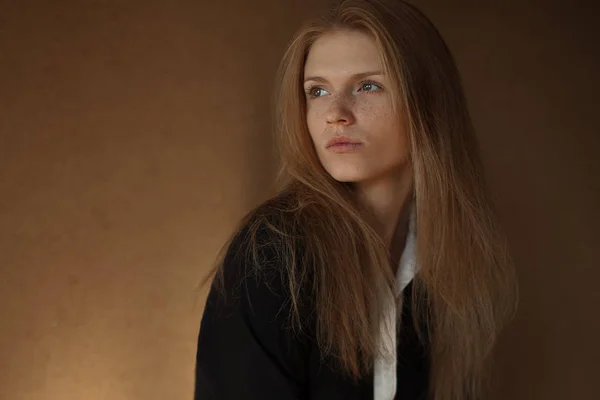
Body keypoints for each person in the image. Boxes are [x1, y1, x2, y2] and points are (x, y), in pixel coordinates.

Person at [194, 0, 518, 399]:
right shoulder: (273, 252)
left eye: (368, 86)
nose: (335, 114)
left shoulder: (445, 258)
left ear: (429, 103)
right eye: (317, 90)